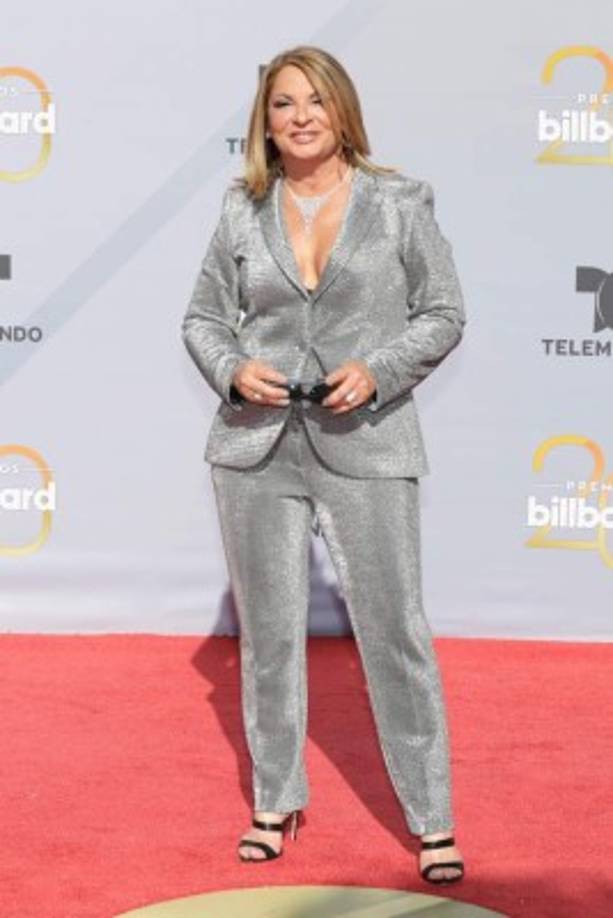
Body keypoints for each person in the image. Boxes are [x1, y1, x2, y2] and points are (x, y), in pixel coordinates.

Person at [181, 45, 466, 885]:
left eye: (313, 100)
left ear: (341, 110)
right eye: (281, 104)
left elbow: (444, 311)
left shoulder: (400, 203)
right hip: (255, 446)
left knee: (396, 633)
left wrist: (378, 369)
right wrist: (232, 367)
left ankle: (432, 815)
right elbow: (203, 318)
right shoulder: (241, 210)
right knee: (268, 638)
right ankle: (275, 798)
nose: (298, 116)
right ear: (263, 123)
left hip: (366, 440)